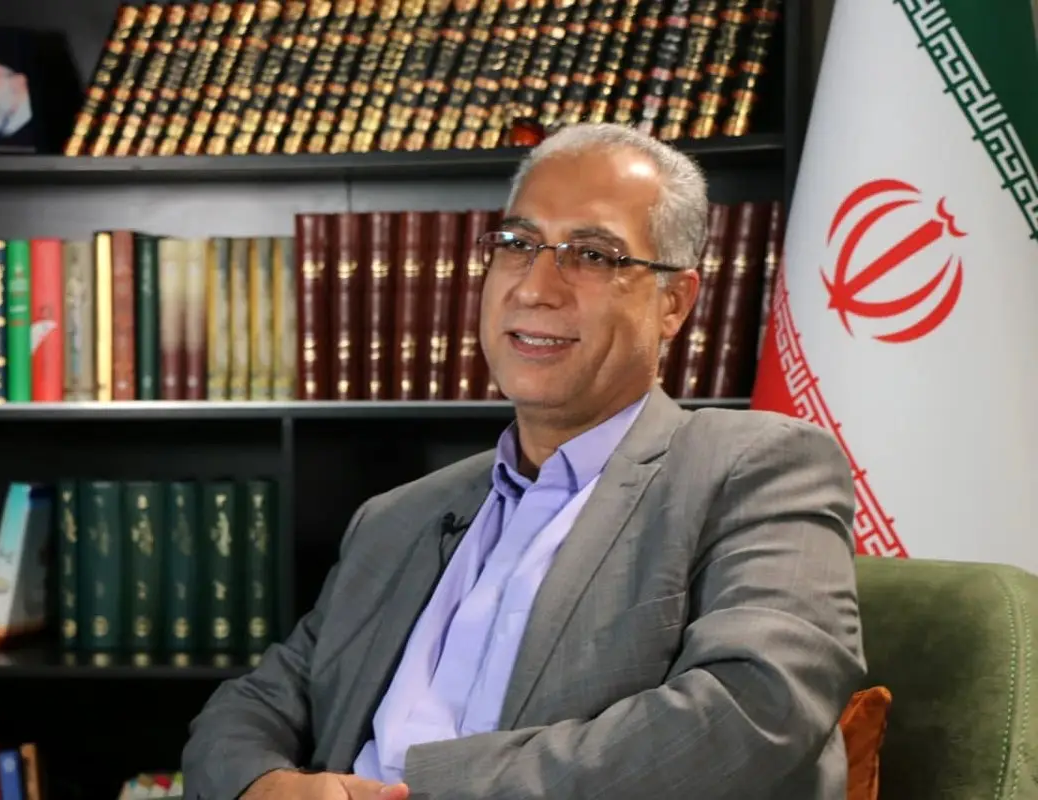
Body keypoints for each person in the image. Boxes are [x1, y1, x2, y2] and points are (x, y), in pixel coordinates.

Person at [181, 122, 866, 800]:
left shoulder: (754, 470)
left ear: (674, 303)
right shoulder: (396, 518)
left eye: (592, 255)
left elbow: (758, 705)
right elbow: (253, 705)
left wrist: (431, 792)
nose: (536, 288)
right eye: (517, 245)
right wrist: (265, 786)